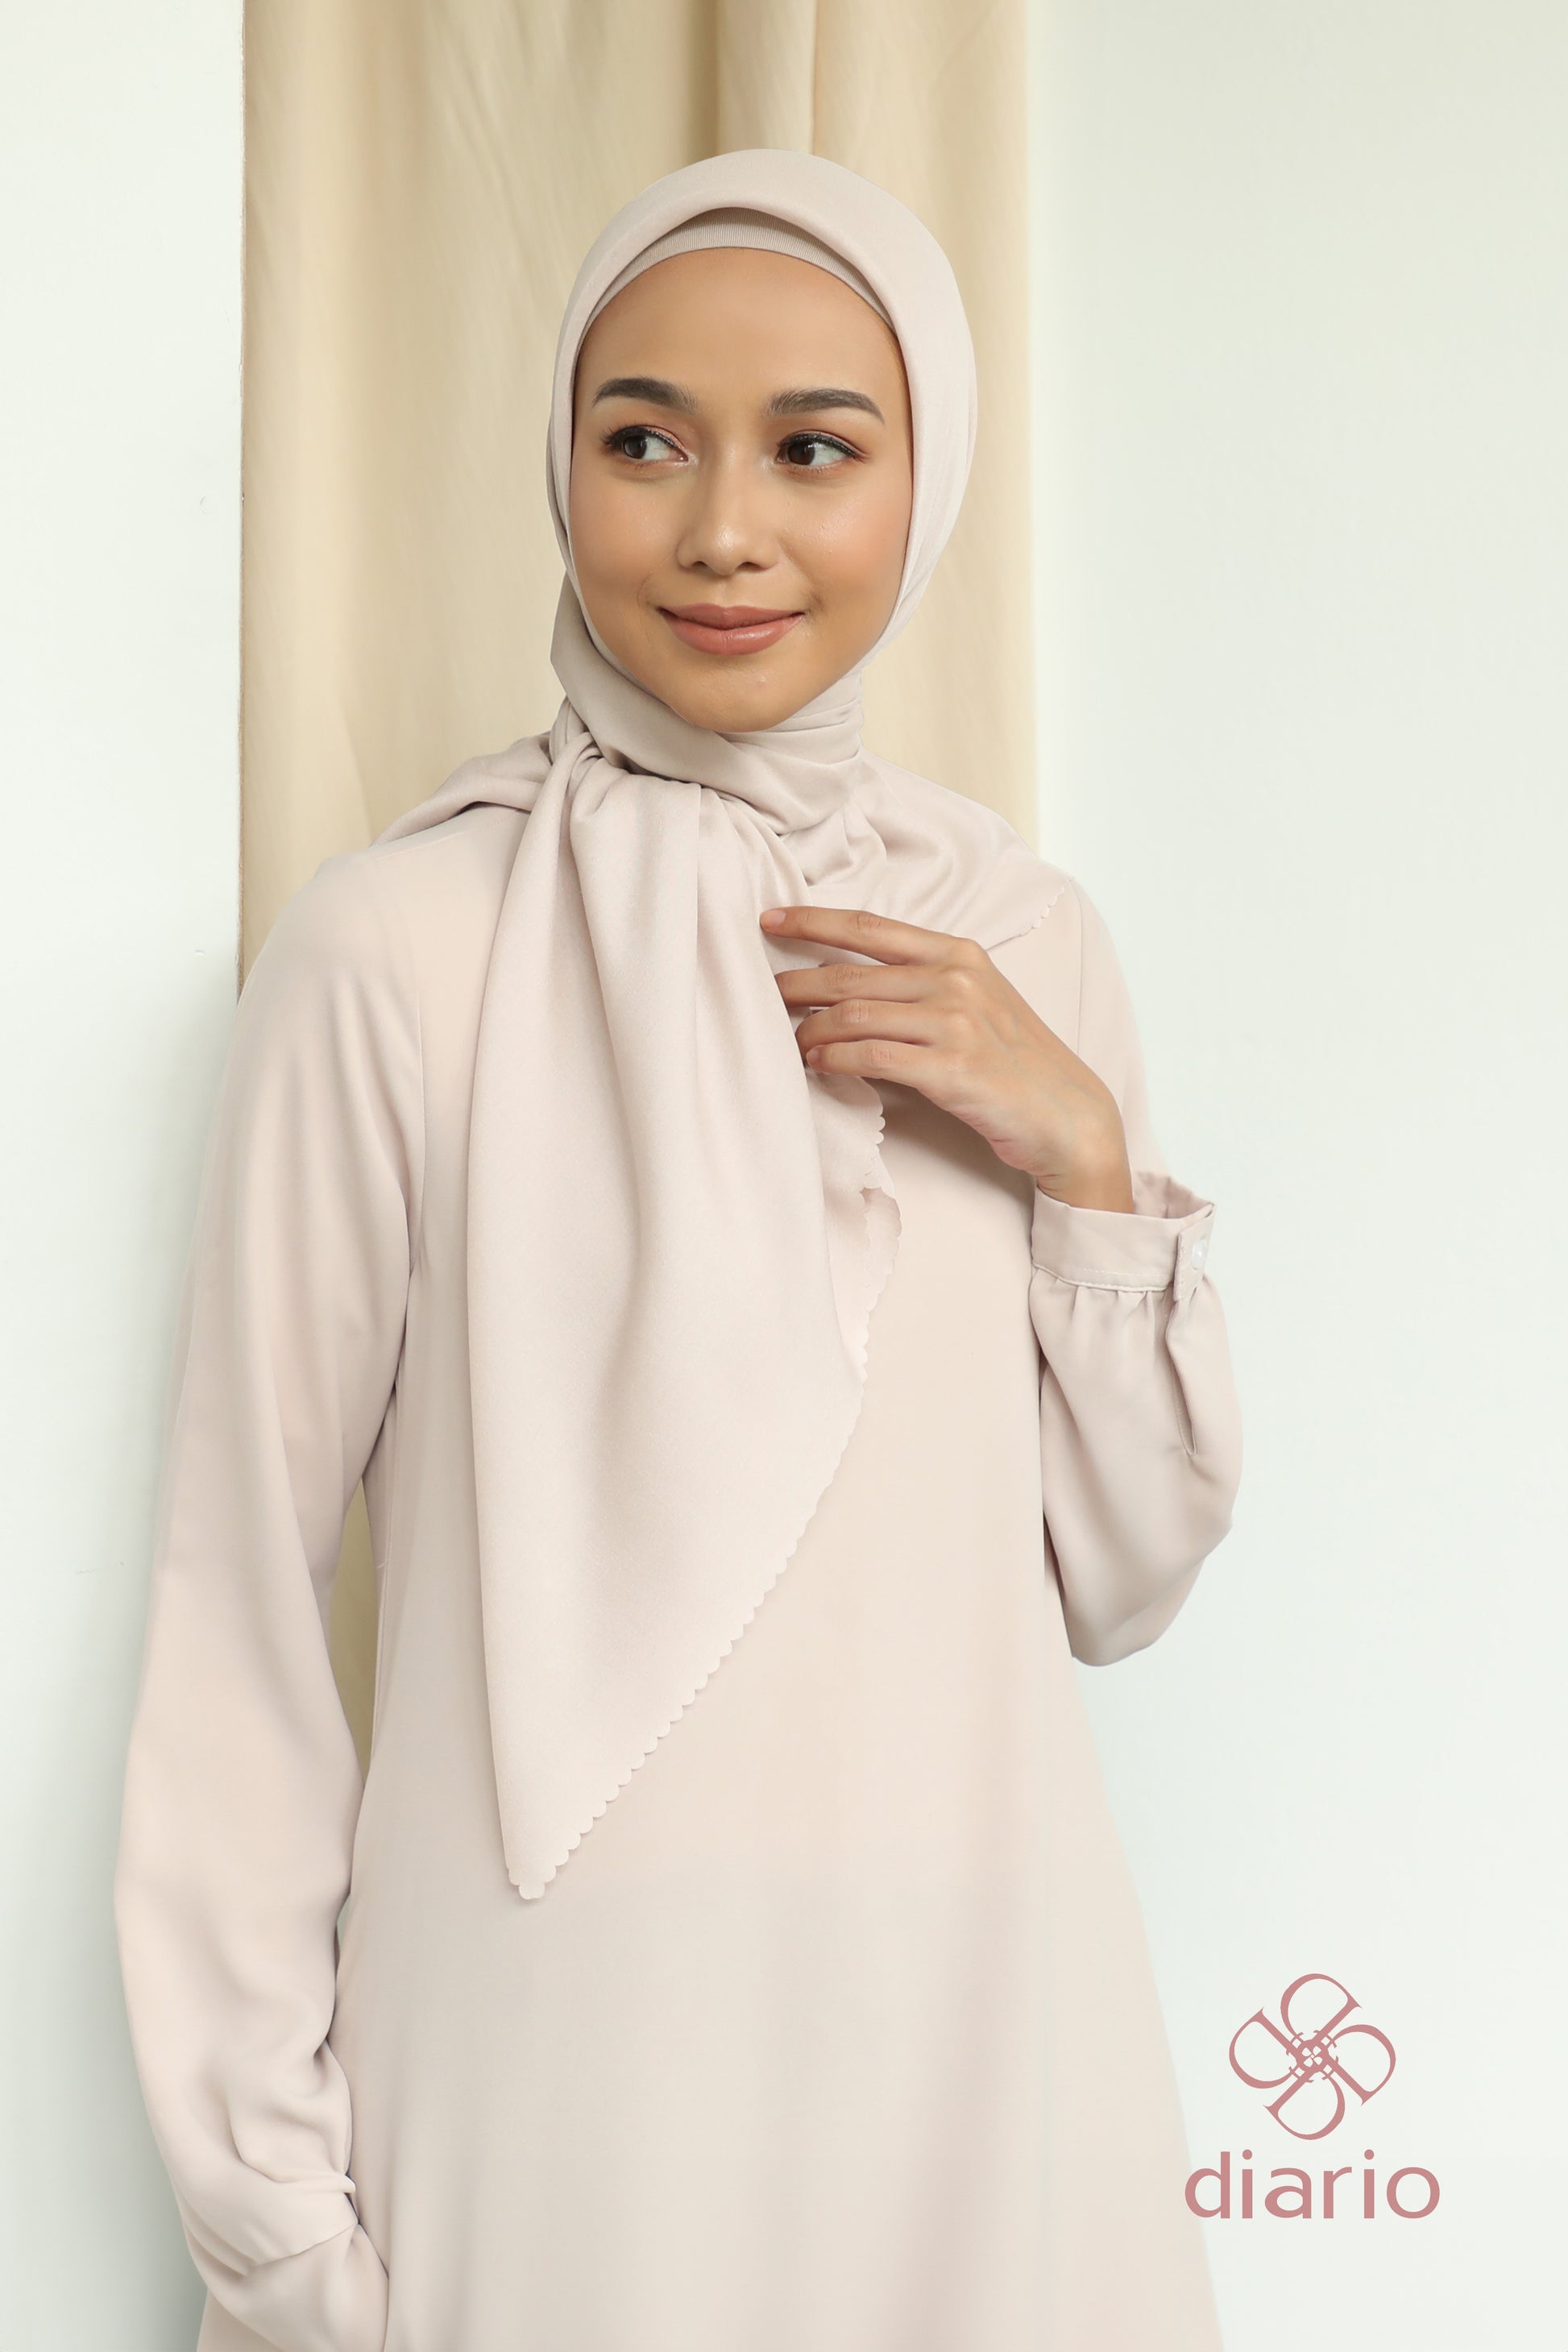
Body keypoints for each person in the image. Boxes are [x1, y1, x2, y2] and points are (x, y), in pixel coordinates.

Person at [114, 150, 1242, 2352]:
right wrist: (270, 2209)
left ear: (924, 483)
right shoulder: (395, 946)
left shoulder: (1015, 942)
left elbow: (1121, 1581)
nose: (725, 529)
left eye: (815, 448)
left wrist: (1085, 1157)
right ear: (559, 467)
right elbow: (236, 1592)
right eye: (644, 442)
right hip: (554, 2068)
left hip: (979, 2044)